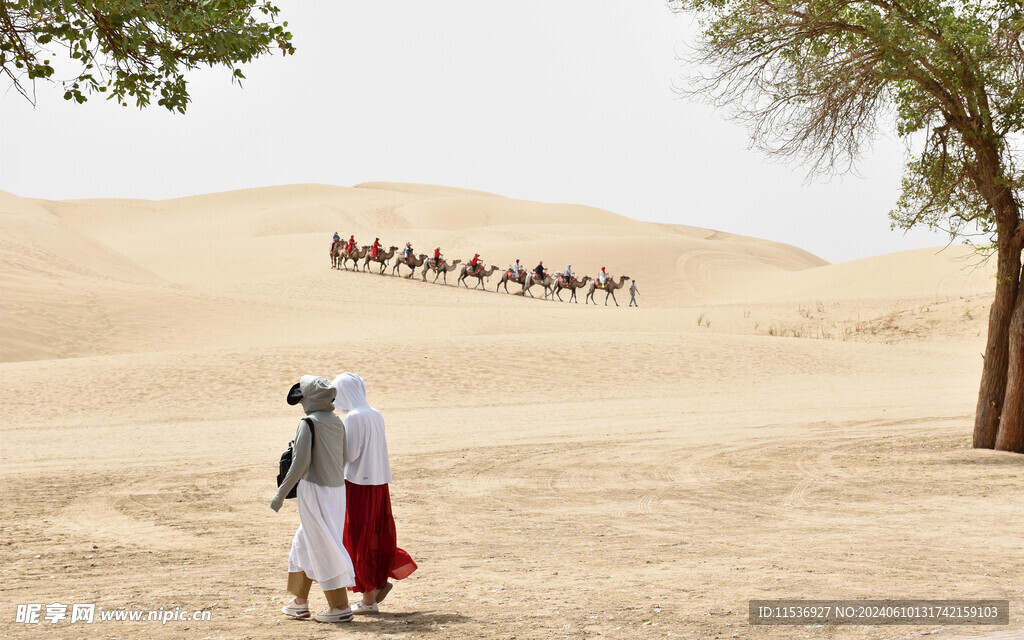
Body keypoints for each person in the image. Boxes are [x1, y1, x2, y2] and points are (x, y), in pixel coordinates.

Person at [271, 376, 355, 624]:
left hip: (314, 491)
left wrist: (280, 494)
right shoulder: (337, 422)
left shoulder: (307, 423)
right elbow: (346, 456)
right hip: (337, 491)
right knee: (306, 540)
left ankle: (340, 606)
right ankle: (299, 603)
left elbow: (300, 463)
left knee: (322, 544)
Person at [332, 373, 418, 614]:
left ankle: (369, 600)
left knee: (360, 536)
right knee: (375, 534)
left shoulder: (354, 417)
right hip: (379, 483)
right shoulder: (375, 413)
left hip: (359, 484)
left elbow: (350, 455)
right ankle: (373, 591)